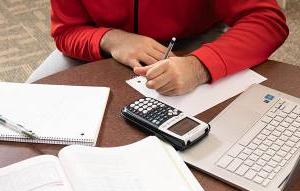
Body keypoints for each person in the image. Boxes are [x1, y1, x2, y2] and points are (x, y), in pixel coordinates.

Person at [27, 0, 288, 96]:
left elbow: (265, 21)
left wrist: (200, 66)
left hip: (190, 41)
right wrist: (112, 39)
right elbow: (66, 31)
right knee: (28, 102)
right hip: (100, 41)